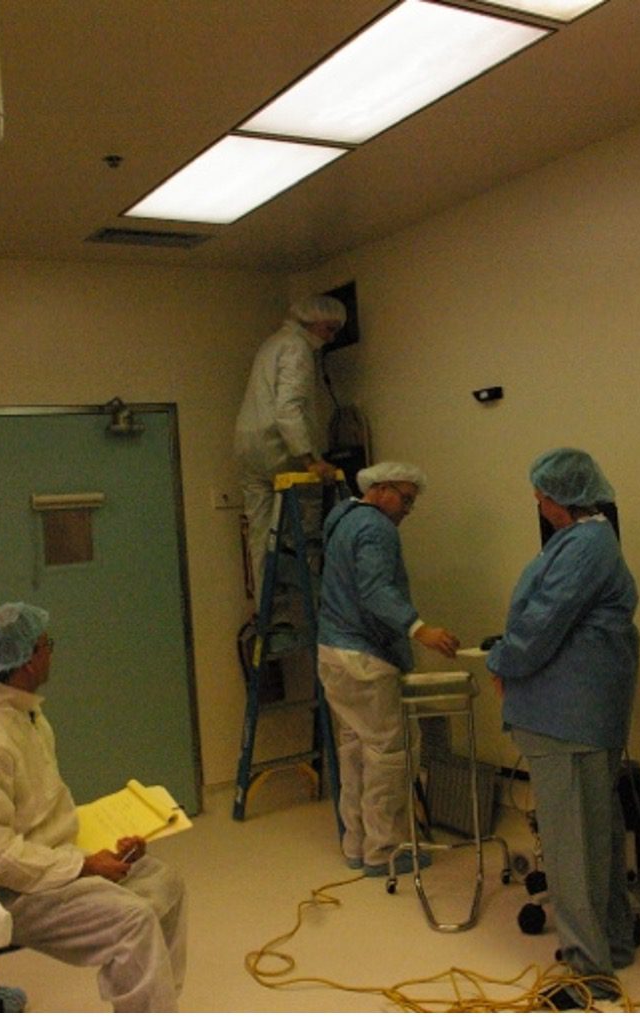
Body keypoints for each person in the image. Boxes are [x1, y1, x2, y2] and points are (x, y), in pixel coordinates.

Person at [0, 603, 187, 1012]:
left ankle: (155, 1003)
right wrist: (85, 866)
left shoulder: (27, 715)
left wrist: (105, 846)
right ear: (28, 659)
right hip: (2, 888)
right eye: (48, 644)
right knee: (132, 921)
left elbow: (43, 814)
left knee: (163, 883)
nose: (52, 652)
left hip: (44, 862)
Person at [485, 449, 639, 1010]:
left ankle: (586, 970)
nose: (538, 502)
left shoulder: (585, 547)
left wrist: (502, 660)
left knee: (574, 848)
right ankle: (613, 943)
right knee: (596, 838)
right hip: (578, 716)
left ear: (563, 498)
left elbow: (543, 620)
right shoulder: (590, 542)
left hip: (566, 719)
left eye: (542, 494)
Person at [317, 462, 460, 875]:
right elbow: (376, 590)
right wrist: (420, 629)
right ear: (380, 489)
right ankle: (386, 851)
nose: (406, 510)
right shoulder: (376, 529)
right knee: (389, 755)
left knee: (354, 752)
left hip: (333, 653)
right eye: (405, 499)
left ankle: (356, 844)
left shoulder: (341, 518)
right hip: (365, 660)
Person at [234, 294, 346, 589]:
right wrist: (312, 460)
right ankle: (307, 602)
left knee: (261, 534)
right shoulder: (297, 349)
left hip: (248, 447)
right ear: (311, 322)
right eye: (329, 329)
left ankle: (268, 615)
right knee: (304, 522)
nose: (331, 337)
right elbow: (288, 410)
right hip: (278, 447)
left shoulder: (272, 343)